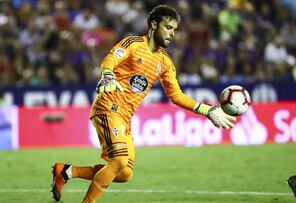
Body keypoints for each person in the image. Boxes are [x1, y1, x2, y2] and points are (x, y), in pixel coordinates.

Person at [50, 5, 236, 203]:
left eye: (174, 29)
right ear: (154, 25)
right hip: (108, 106)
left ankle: (67, 172)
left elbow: (176, 95)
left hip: (125, 118)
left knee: (124, 173)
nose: (172, 33)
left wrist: (207, 110)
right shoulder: (134, 43)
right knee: (119, 161)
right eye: (168, 27)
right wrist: (107, 75)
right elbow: (110, 59)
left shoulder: (165, 62)